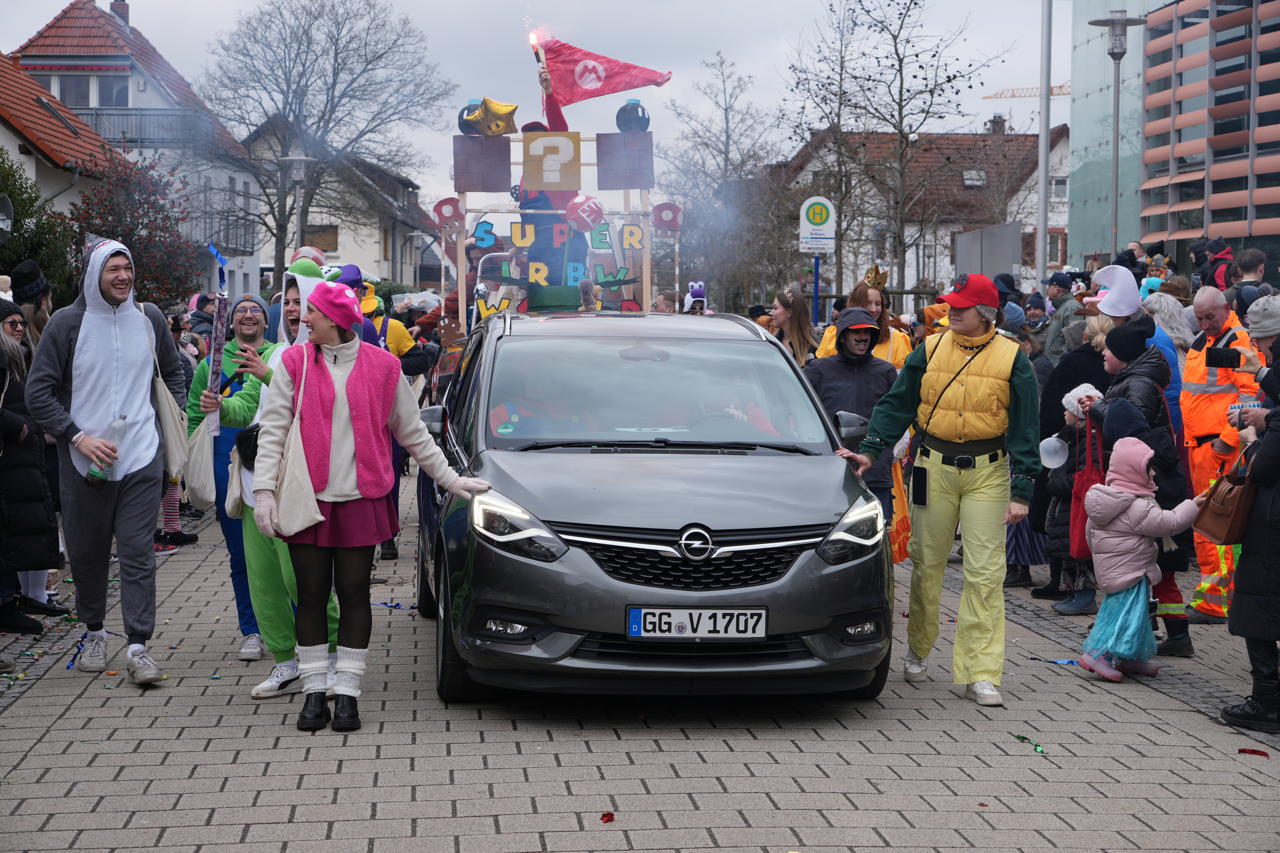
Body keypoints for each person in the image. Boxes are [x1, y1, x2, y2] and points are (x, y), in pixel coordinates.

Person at [252, 280, 490, 732]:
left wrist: (450, 479)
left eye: (313, 313)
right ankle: (313, 692)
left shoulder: (383, 367)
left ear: (337, 319)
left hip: (362, 497)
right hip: (309, 499)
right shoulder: (294, 362)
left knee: (356, 594)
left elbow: (413, 433)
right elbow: (274, 430)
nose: (305, 320)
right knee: (312, 595)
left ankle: (347, 694)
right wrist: (264, 491)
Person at [846, 273, 1041, 707]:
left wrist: (1022, 490)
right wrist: (871, 451)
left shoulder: (1013, 359)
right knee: (927, 563)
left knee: (986, 573)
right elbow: (897, 403)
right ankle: (918, 649)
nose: (951, 310)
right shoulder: (929, 348)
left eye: (962, 306)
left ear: (985, 313)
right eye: (951, 304)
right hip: (931, 466)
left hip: (988, 472)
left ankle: (981, 671)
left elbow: (1027, 427)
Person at [25, 240, 186, 685]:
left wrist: (170, 414)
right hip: (84, 464)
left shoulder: (149, 317)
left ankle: (138, 646)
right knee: (88, 555)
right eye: (112, 268)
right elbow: (37, 392)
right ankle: (94, 631)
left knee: (137, 552)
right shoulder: (66, 323)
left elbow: (172, 371)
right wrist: (77, 437)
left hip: (140, 457)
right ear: (94, 274)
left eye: (127, 268)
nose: (122, 276)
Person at [211, 260, 342, 699]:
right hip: (254, 484)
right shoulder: (269, 353)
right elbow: (248, 406)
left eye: (299, 300)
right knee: (262, 577)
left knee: (300, 580)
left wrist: (271, 376)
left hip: (299, 487)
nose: (291, 309)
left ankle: (336, 652)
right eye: (285, 302)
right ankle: (286, 661)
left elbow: (324, 409)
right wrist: (218, 407)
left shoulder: (327, 355)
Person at [1084, 316, 1197, 655]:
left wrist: (1099, 409)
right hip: (1153, 489)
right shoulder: (1136, 379)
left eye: (1109, 350)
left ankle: (1164, 635)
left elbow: (1131, 433)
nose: (1103, 354)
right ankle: (1157, 631)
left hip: (1152, 491)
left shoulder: (1138, 385)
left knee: (1153, 569)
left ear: (1124, 355)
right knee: (1153, 569)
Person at [187, 294, 275, 661]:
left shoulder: (279, 356)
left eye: (256, 310)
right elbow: (194, 417)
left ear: (266, 322)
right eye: (241, 311)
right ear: (231, 322)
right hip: (227, 461)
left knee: (281, 547)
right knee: (240, 551)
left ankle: (291, 622)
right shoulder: (211, 364)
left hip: (272, 458)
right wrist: (194, 465)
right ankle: (251, 629)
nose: (249, 315)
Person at [1080, 437, 1202, 680]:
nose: (1154, 473)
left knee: (1136, 616)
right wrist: (1193, 505)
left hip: (1116, 569)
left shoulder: (1107, 500)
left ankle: (1129, 656)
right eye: (1149, 468)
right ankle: (1098, 654)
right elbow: (1169, 523)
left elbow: (1090, 534)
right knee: (1122, 617)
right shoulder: (1137, 505)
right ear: (1134, 472)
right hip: (1132, 571)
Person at [1182, 286, 1261, 624]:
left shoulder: (1237, 341)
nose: (1204, 322)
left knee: (1217, 524)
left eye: (1209, 316)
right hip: (1200, 447)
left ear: (1225, 308)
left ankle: (1216, 603)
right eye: (1199, 317)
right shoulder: (1206, 339)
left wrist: (1227, 441)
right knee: (1206, 524)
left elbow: (1251, 395)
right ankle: (1212, 598)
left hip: (1218, 448)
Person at [1037, 316, 1114, 606]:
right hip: (1066, 505)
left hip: (1076, 504)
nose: (1064, 415)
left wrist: (1058, 481)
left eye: (1068, 411)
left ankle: (1083, 595)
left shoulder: (1086, 441)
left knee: (1079, 550)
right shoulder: (1071, 436)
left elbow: (1084, 473)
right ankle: (1072, 591)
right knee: (1068, 549)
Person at [0, 300, 63, 634]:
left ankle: (23, 597)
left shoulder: (18, 356)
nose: (20, 329)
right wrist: (16, 425)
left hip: (23, 456)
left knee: (27, 525)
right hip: (11, 454)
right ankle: (9, 601)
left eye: (21, 323)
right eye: (12, 324)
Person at [1221, 393, 1280, 732]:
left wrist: (1252, 441)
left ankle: (1266, 700)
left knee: (1259, 609)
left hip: (1272, 531)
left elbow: (1265, 470)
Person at [805, 307, 898, 519]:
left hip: (874, 471)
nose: (863, 336)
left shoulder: (886, 372)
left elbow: (896, 416)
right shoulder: (818, 370)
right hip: (829, 471)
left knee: (878, 534)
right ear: (843, 335)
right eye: (856, 331)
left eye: (868, 332)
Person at [1043, 272, 1082, 364]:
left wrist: (1061, 360)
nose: (1047, 289)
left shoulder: (1072, 307)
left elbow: (1075, 341)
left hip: (1060, 365)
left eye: (1049, 286)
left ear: (1056, 288)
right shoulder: (1062, 307)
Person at [770, 289, 816, 365]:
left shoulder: (812, 347)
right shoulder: (772, 343)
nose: (771, 313)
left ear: (789, 312)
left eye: (775, 308)